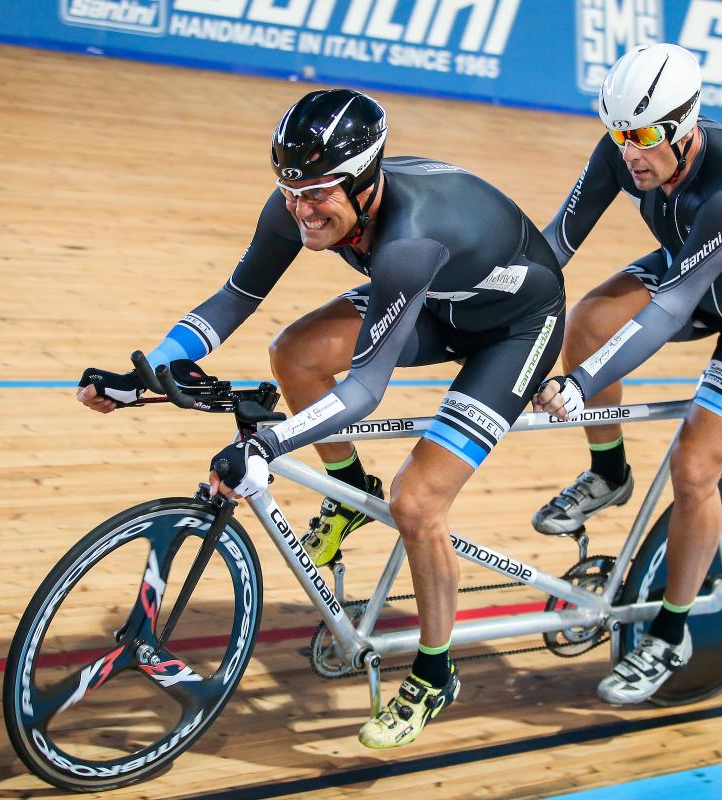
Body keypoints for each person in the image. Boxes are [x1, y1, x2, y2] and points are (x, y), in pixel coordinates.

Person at [76, 88, 566, 747]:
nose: (301, 209)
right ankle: (351, 494)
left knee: (419, 503)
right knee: (295, 353)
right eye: (289, 190)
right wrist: (150, 370)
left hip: (513, 329)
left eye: (319, 193)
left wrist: (268, 446)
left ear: (365, 182)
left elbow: (366, 388)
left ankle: (433, 672)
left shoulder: (408, 240)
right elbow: (234, 298)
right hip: (437, 303)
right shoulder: (300, 203)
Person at [531, 42, 722, 704]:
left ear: (686, 124)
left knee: (695, 470)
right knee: (585, 322)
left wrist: (581, 384)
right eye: (617, 133)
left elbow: (668, 310)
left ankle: (671, 636)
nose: (628, 151)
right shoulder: (621, 151)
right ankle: (610, 474)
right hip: (698, 268)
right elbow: (554, 245)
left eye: (642, 136)